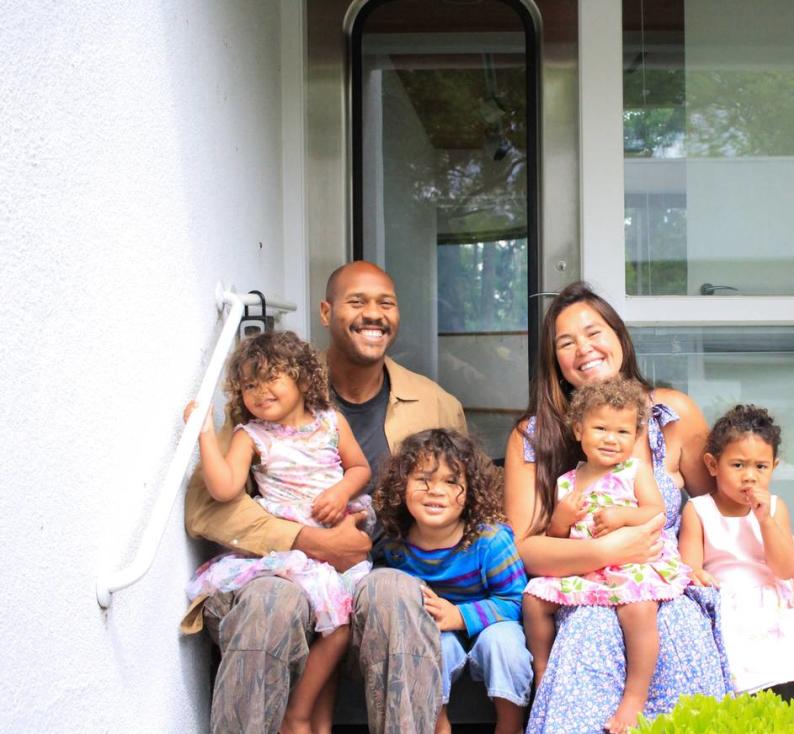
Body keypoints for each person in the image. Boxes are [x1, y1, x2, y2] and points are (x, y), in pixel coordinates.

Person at [503, 281, 794, 732]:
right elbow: (524, 548)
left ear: (619, 337)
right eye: (566, 342)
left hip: (664, 589)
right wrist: (606, 552)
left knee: (678, 635)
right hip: (585, 595)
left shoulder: (672, 415)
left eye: (594, 332)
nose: (584, 349)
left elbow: (728, 500)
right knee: (587, 643)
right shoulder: (534, 436)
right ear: (554, 361)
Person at [182, 261, 467, 734]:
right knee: (271, 601)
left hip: (379, 572)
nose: (373, 315)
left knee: (398, 592)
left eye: (386, 304)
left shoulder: (434, 402)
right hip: (286, 570)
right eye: (357, 302)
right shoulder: (269, 390)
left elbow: (468, 498)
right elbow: (207, 506)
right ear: (325, 312)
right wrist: (310, 541)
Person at [183, 331, 373, 734]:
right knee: (336, 627)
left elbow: (360, 469)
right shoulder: (250, 435)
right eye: (250, 384)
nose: (260, 391)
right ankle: (298, 714)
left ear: (303, 379)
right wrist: (203, 433)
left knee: (337, 624)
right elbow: (224, 488)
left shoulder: (331, 422)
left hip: (336, 523)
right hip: (297, 546)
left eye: (271, 378)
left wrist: (341, 492)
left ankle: (314, 723)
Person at [523, 378, 692, 733]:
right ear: (579, 430)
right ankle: (542, 671)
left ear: (635, 436)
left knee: (639, 609)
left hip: (631, 565)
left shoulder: (634, 471)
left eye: (623, 431)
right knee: (534, 599)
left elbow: (655, 512)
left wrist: (622, 516)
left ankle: (635, 695)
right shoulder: (567, 481)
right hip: (587, 567)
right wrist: (561, 519)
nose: (612, 439)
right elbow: (558, 538)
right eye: (601, 428)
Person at [679, 404, 794, 700]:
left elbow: (785, 569)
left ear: (774, 466)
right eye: (737, 465)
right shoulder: (699, 510)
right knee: (739, 647)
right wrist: (698, 574)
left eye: (760, 467)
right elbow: (690, 566)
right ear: (713, 465)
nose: (749, 477)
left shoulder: (776, 509)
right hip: (728, 600)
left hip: (775, 597)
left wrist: (765, 521)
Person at [374, 429, 532, 734]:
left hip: (491, 626)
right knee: (431, 644)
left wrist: (459, 616)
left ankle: (510, 724)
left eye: (451, 481)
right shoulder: (396, 546)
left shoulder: (490, 540)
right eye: (423, 480)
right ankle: (436, 722)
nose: (436, 491)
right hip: (437, 633)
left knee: (504, 642)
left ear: (470, 491)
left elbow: (516, 603)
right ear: (400, 486)